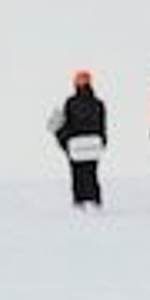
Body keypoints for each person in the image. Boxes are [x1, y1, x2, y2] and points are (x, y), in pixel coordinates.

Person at [49, 70, 107, 209]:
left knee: (77, 173)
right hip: (93, 144)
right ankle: (95, 200)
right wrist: (102, 141)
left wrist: (63, 140)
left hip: (76, 145)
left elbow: (66, 123)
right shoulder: (98, 103)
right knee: (91, 172)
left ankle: (79, 200)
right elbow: (102, 126)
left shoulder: (71, 102)